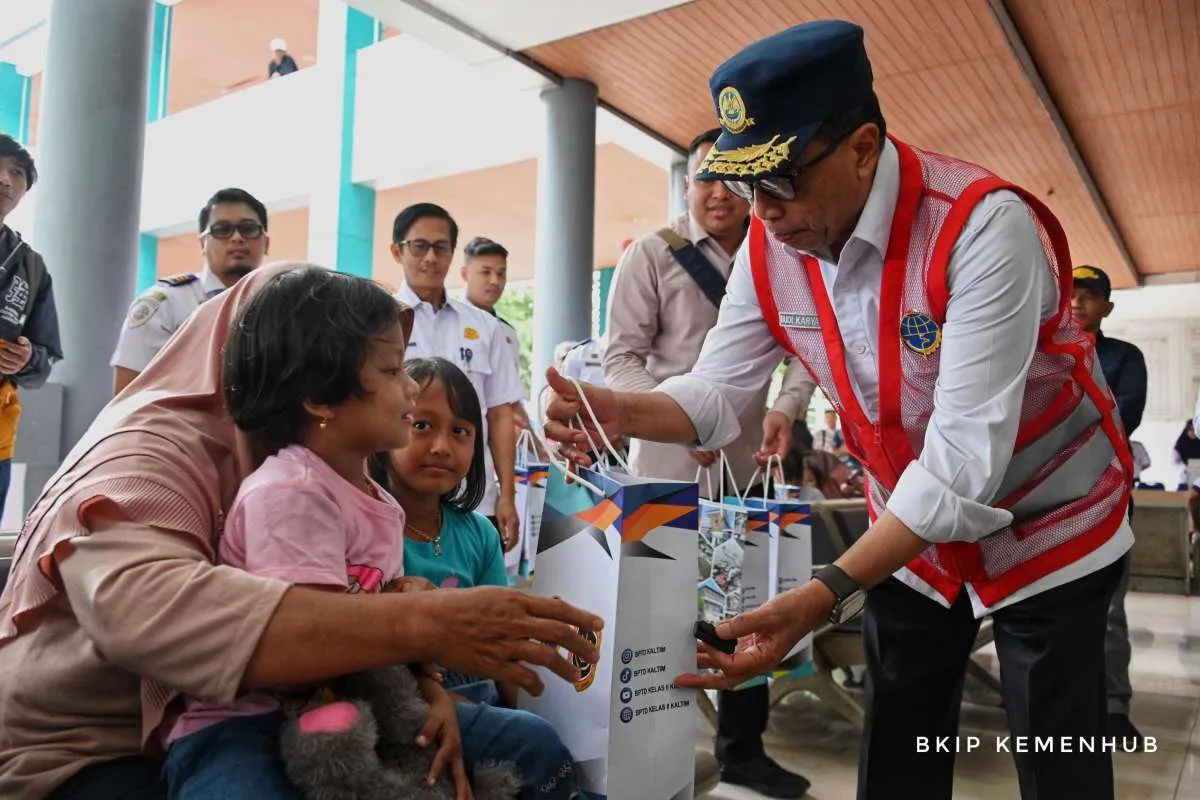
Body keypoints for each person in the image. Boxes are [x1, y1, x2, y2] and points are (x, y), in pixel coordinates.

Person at [544, 21, 1132, 800]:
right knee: (899, 746)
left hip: (1048, 525)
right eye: (745, 184)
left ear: (861, 148)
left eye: (779, 180)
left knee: (1057, 754)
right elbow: (720, 391)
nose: (762, 210)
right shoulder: (771, 243)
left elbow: (962, 460)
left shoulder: (982, 227)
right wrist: (622, 410)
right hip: (913, 540)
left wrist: (825, 595)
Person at [0, 262, 601, 799]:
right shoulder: (147, 451)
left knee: (521, 748)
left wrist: (428, 680)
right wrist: (428, 625)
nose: (408, 389)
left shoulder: (331, 470)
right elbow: (145, 613)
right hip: (100, 746)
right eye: (391, 369)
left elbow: (371, 604)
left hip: (323, 707)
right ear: (306, 376)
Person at [605, 128, 814, 798]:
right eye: (703, 178)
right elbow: (620, 358)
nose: (716, 193)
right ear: (685, 184)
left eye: (731, 179)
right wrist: (671, 409)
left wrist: (789, 407)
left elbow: (808, 348)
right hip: (665, 469)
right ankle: (653, 754)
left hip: (747, 470)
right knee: (657, 613)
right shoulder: (652, 255)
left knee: (745, 607)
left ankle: (743, 752)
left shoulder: (782, 253)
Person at [391, 204, 523, 553]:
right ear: (397, 251)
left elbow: (500, 414)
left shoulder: (485, 326)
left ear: (452, 254)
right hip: (396, 496)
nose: (431, 258)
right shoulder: (381, 322)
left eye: (441, 247)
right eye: (419, 246)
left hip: (474, 497)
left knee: (478, 593)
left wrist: (507, 496)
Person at [1071, 264, 1148, 744]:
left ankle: (1114, 706)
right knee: (1045, 609)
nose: (1077, 302)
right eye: (1071, 293)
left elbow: (1122, 417)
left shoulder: (1123, 357)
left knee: (1108, 608)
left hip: (1105, 497)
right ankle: (1046, 692)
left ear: (1107, 307)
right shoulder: (1038, 352)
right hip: (1041, 507)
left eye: (1090, 295)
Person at [111, 188, 270, 393]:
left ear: (265, 242)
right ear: (203, 243)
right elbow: (127, 394)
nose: (237, 238)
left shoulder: (284, 308)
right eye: (222, 229)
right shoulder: (166, 304)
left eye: (248, 229)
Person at [0, 134, 62, 519]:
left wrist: (24, 359)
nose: (5, 180)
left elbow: (45, 354)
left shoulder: (31, 265)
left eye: (16, 173)